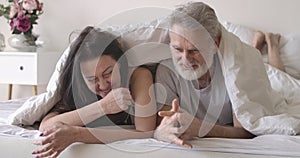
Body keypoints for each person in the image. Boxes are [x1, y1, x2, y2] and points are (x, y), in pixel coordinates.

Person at [153, 1, 282, 148]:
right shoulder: (166, 71)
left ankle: (272, 45)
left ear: (215, 44)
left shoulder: (235, 67)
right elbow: (162, 126)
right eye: (177, 49)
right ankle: (257, 44)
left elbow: (249, 130)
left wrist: (201, 128)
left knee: (279, 77)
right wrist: (161, 133)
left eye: (194, 50)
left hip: (252, 69)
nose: (185, 59)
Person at [32, 26, 157, 157]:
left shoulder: (138, 76)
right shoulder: (79, 89)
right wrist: (103, 107)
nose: (103, 85)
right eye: (92, 79)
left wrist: (77, 134)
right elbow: (45, 127)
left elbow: (145, 132)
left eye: (108, 73)